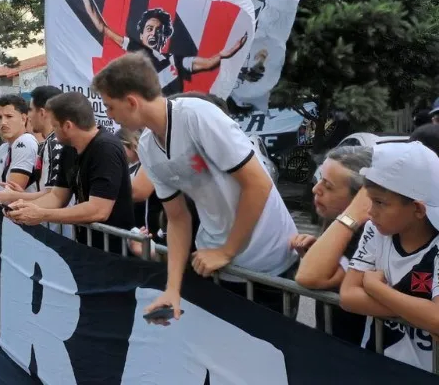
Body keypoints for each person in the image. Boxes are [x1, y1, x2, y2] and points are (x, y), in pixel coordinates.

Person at [92, 53, 298, 321]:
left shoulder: (196, 115)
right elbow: (177, 218)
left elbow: (258, 184)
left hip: (266, 263)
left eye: (109, 106)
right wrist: (172, 289)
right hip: (215, 262)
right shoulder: (147, 147)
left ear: (131, 102)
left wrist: (226, 250)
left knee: (268, 356)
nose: (109, 115)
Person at [73, 0, 248, 96]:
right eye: (149, 28)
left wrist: (223, 55)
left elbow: (206, 63)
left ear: (164, 38)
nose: (153, 33)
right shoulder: (136, 51)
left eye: (158, 30)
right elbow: (101, 26)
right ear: (141, 34)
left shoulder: (175, 60)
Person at [340, 142, 439, 372]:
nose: (370, 211)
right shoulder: (376, 230)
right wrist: (421, 314)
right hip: (379, 365)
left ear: (418, 209)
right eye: (371, 200)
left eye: (380, 203)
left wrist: (376, 289)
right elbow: (348, 295)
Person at [7, 92, 134, 252]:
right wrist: (24, 208)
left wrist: (42, 214)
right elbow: (57, 196)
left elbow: (99, 210)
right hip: (86, 246)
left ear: (67, 126)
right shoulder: (69, 148)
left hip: (114, 251)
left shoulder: (105, 148)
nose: (52, 131)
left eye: (54, 126)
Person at [291, 146, 372, 345]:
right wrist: (319, 250)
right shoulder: (339, 225)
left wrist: (351, 215)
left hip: (355, 349)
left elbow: (309, 277)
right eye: (320, 179)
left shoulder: (365, 231)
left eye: (328, 186)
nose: (315, 189)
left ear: (359, 198)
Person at [0, 86, 63, 205]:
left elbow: (54, 196)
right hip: (41, 217)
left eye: (30, 110)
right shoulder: (5, 147)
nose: (3, 122)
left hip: (49, 220)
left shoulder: (27, 142)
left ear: (42, 113)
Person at [118, 128, 165, 259]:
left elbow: (137, 193)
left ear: (132, 144)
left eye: (120, 149)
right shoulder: (129, 166)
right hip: (137, 230)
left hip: (153, 229)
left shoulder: (149, 161)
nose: (119, 154)